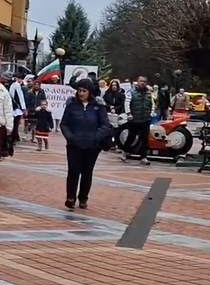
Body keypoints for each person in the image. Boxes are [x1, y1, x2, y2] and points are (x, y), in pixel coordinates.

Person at [61, 80, 111, 210]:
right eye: (79, 90)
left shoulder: (97, 106)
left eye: (84, 91)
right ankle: (70, 198)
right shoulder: (72, 105)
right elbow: (64, 123)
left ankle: (83, 198)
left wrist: (96, 137)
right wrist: (70, 137)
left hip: (92, 145)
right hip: (74, 144)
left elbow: (105, 125)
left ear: (90, 92)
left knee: (87, 173)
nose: (81, 93)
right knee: (73, 171)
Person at [122, 75, 154, 165]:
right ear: (138, 82)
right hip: (134, 119)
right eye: (141, 81)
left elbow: (152, 104)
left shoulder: (149, 93)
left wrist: (151, 114)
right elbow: (127, 103)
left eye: (144, 81)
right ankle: (125, 151)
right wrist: (128, 114)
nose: (143, 83)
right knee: (131, 137)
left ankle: (143, 157)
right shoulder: (131, 92)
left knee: (144, 139)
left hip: (145, 119)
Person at [5, 71, 28, 146]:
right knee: (13, 124)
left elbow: (20, 97)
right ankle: (13, 138)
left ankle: (13, 138)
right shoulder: (9, 85)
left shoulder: (15, 85)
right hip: (11, 108)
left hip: (15, 108)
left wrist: (23, 108)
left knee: (14, 124)